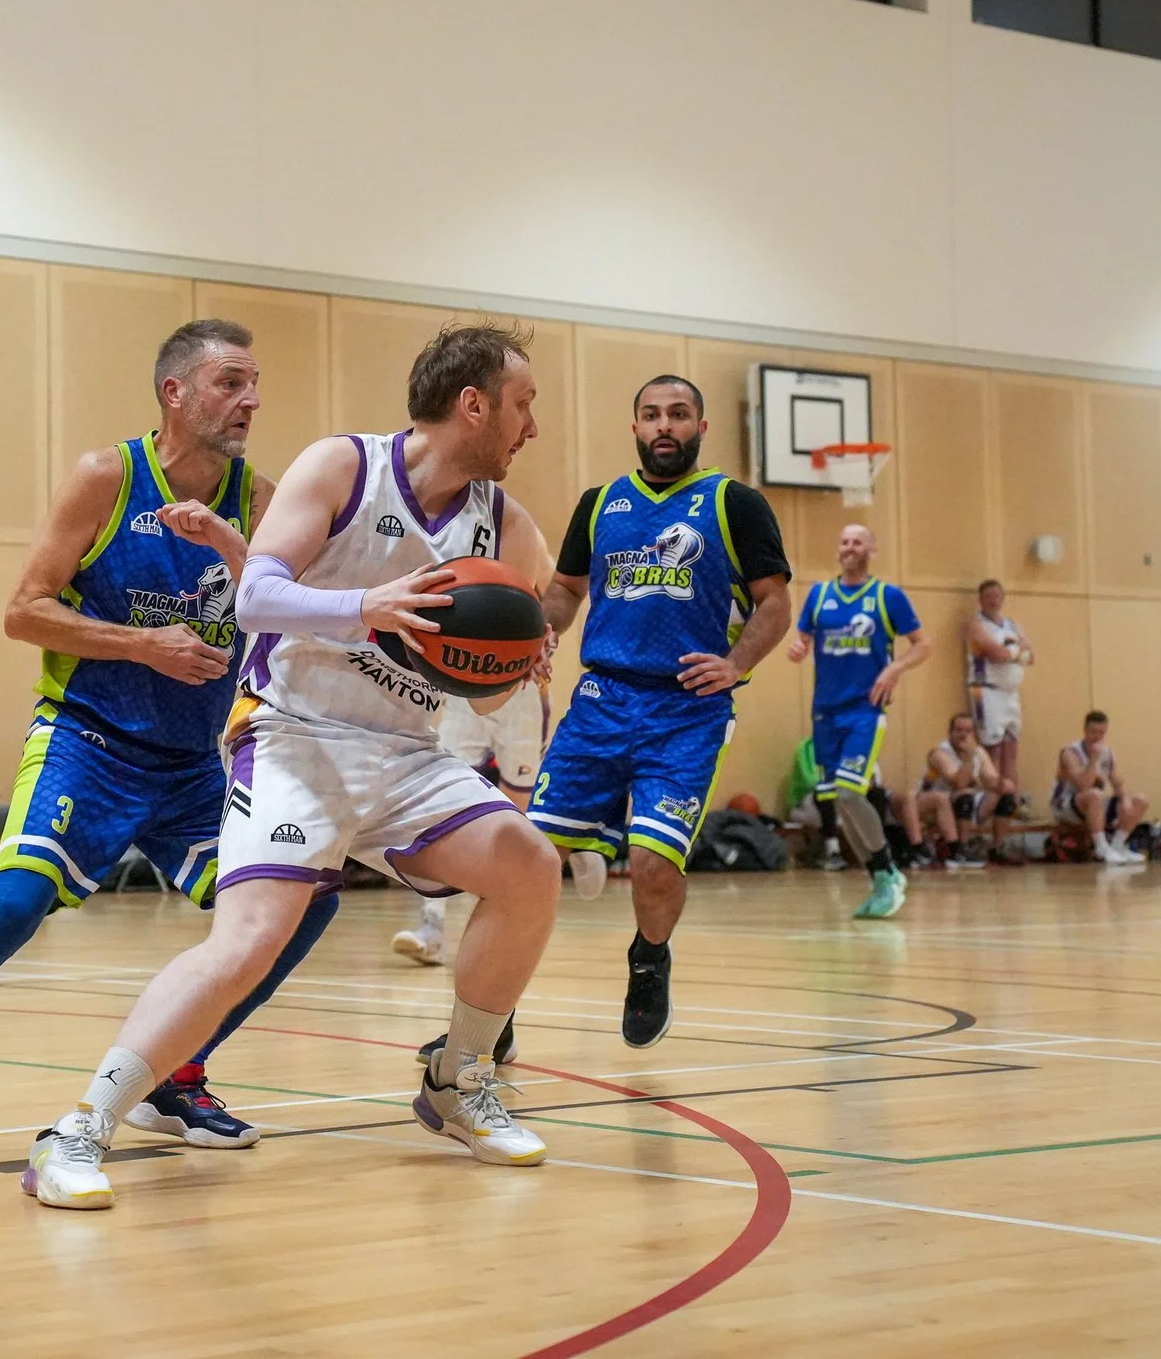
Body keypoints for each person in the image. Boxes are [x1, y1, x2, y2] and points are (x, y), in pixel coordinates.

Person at [19, 323, 562, 1210]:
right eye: (524, 404)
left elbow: (491, 702)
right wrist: (369, 605)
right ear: (474, 404)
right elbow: (255, 594)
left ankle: (457, 1081)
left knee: (529, 866)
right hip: (296, 736)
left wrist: (515, 660)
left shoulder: (509, 527)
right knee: (246, 944)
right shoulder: (343, 466)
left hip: (408, 752)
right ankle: (77, 1128)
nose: (531, 426)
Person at [0, 321, 340, 1172]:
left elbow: (289, 621)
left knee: (306, 902)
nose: (251, 399)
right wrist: (148, 644)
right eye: (230, 382)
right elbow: (22, 609)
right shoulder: (107, 477)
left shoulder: (261, 499)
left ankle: (180, 1073)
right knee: (9, 909)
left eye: (255, 384)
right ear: (174, 391)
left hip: (190, 766)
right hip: (88, 742)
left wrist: (230, 550)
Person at [530, 375, 792, 1045]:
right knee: (527, 858)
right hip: (599, 701)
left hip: (687, 708)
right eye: (651, 414)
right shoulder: (600, 504)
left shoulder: (735, 503)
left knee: (651, 863)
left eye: (678, 414)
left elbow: (774, 604)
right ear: (636, 427)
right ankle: (492, 1013)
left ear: (702, 427)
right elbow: (564, 590)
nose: (664, 425)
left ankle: (649, 958)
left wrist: (737, 665)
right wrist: (538, 632)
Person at [785, 525, 931, 919]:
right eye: (843, 541)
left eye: (856, 541)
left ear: (872, 549)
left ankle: (885, 869)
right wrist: (800, 648)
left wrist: (894, 669)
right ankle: (881, 876)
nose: (849, 547)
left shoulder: (887, 597)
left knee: (851, 794)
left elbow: (923, 644)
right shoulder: (819, 595)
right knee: (837, 801)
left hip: (864, 711)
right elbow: (803, 637)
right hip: (825, 712)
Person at [393, 676, 553, 965]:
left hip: (524, 691)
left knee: (516, 822)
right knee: (441, 807)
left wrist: (550, 631)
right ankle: (432, 926)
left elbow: (562, 626)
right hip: (464, 686)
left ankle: (500, 929)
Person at [1051, 711, 1149, 863]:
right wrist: (1094, 759)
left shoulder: (1108, 752)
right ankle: (1101, 847)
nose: (1097, 737)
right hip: (1065, 805)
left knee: (1139, 800)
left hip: (1094, 804)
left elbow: (1117, 782)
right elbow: (1084, 785)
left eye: (1101, 733)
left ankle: (1117, 846)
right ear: (1085, 730)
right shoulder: (1070, 752)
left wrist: (1125, 800)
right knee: (1094, 794)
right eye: (1093, 732)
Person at [967, 579, 1032, 795]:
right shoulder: (977, 625)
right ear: (980, 600)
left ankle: (1011, 800)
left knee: (1011, 748)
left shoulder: (1013, 624)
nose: (993, 600)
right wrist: (1016, 652)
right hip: (987, 691)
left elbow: (1031, 655)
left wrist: (1010, 652)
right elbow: (996, 654)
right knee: (992, 749)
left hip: (1011, 693)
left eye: (997, 595)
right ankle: (991, 800)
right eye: (988, 596)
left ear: (1003, 598)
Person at [912, 712, 996, 870]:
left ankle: (997, 848)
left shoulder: (980, 752)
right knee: (965, 796)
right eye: (959, 730)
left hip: (959, 801)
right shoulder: (939, 753)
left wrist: (1000, 786)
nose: (964, 735)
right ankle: (960, 850)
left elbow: (993, 781)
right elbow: (958, 783)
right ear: (950, 732)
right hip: (934, 803)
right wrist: (969, 758)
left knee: (1005, 797)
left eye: (968, 731)